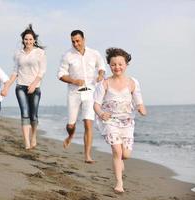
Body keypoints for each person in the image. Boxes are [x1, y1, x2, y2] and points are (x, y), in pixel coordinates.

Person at [93, 48, 147, 193]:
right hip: (110, 121)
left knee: (126, 155)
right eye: (113, 64)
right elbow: (96, 104)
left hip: (127, 122)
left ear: (126, 64)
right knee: (117, 151)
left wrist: (141, 108)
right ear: (109, 65)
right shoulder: (104, 83)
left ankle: (121, 161)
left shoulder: (132, 82)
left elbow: (138, 99)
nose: (117, 67)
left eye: (120, 64)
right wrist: (101, 113)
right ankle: (119, 183)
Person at [57, 30, 106, 163]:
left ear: (84, 39)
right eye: (73, 41)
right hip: (74, 92)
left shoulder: (94, 53)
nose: (75, 43)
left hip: (90, 91)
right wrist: (74, 80)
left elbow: (101, 66)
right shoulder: (67, 55)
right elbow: (61, 74)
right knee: (71, 125)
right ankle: (70, 135)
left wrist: (101, 74)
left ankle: (87, 156)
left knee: (88, 123)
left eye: (78, 41)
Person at [1, 24, 46, 150]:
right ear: (23, 40)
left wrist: (33, 85)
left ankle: (33, 136)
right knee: (25, 113)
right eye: (26, 39)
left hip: (35, 87)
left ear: (34, 40)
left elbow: (41, 72)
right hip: (20, 86)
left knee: (34, 116)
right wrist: (6, 87)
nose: (28, 41)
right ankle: (26, 142)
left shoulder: (40, 53)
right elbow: (15, 72)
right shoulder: (18, 54)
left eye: (30, 39)